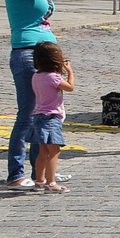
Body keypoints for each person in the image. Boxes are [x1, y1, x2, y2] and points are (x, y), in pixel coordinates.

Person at [4, 0, 64, 190]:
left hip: (43, 53)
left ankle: (41, 172)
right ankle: (16, 174)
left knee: (46, 114)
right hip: (28, 53)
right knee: (28, 114)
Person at [28, 43, 75, 193]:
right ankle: (51, 182)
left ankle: (39, 181)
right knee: (54, 151)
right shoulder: (53, 77)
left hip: (38, 116)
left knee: (42, 151)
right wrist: (70, 71)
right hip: (51, 118)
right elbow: (70, 87)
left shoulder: (36, 76)